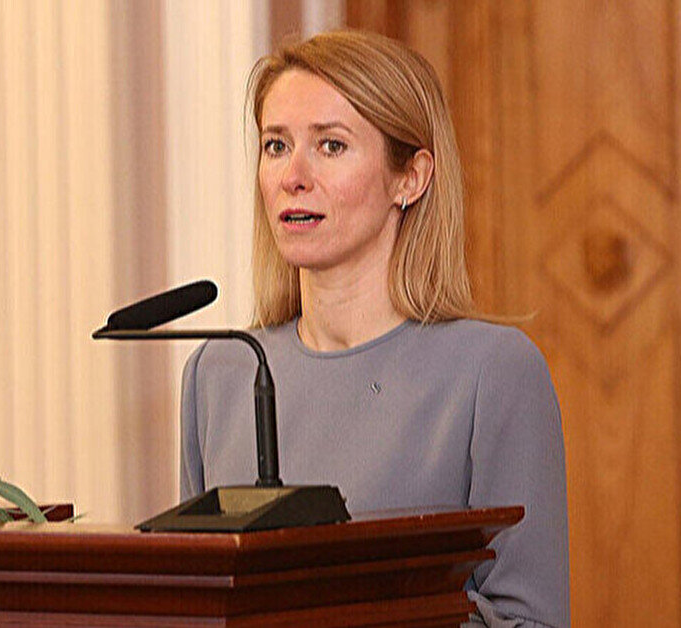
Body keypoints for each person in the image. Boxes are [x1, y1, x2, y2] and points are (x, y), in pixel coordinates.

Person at [179, 30, 568, 627]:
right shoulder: (219, 371)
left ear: (410, 178)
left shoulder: (493, 370)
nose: (293, 176)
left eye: (331, 146)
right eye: (276, 145)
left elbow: (533, 621)